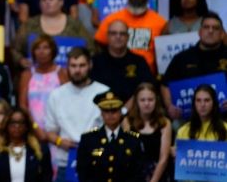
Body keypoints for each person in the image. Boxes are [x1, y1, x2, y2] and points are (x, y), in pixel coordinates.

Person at [43, 48, 109, 180]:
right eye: (73, 66)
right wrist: (60, 141)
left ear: (90, 65)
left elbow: (116, 127)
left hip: (97, 163)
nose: (77, 70)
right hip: (65, 163)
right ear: (67, 67)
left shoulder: (104, 92)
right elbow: (49, 132)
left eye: (82, 65)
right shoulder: (57, 95)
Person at [161, 12, 227, 119]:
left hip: (223, 118)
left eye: (215, 28)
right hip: (188, 119)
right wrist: (169, 106)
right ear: (200, 32)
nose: (210, 31)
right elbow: (165, 85)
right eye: (206, 27)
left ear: (222, 34)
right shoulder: (182, 58)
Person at [11, 0, 92, 69]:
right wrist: (20, 60)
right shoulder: (29, 25)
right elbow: (15, 49)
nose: (47, 2)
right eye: (44, 0)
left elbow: (91, 49)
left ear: (61, 2)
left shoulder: (75, 25)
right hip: (36, 76)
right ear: (39, 4)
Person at [95, 0, 167, 73]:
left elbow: (163, 54)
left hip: (146, 74)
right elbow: (99, 42)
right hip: (115, 71)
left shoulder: (160, 22)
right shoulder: (112, 19)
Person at [76, 91, 144, 182]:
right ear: (101, 113)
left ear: (120, 112)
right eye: (106, 111)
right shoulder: (88, 139)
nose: (110, 114)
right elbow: (83, 173)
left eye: (114, 110)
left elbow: (137, 174)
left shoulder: (132, 140)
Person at [90, 20, 155, 109]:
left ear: (128, 37)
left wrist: (124, 111)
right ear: (107, 36)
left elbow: (147, 88)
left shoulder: (139, 61)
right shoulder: (95, 62)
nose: (118, 37)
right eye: (114, 33)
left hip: (133, 114)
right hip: (100, 112)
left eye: (122, 34)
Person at [0, 107, 53, 182]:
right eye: (13, 122)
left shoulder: (41, 150)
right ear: (6, 125)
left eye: (21, 122)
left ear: (27, 126)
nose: (17, 126)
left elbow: (46, 178)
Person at [16, 36, 67, 140]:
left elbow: (68, 102)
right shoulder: (27, 74)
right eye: (37, 48)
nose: (41, 51)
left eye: (46, 48)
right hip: (33, 129)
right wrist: (35, 127)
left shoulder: (62, 73)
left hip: (59, 130)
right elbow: (23, 105)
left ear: (53, 51)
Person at [123, 83, 172, 182]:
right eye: (142, 100)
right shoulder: (127, 121)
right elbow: (125, 154)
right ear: (136, 101)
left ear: (156, 101)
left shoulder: (165, 122)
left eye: (150, 100)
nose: (146, 103)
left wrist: (153, 180)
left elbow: (164, 158)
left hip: (158, 175)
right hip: (134, 174)